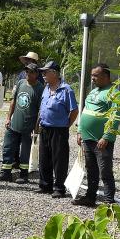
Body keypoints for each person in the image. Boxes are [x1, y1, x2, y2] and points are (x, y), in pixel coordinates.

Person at [74, 64, 119, 206]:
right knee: (91, 169)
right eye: (92, 75)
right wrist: (80, 131)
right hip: (87, 138)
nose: (92, 78)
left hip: (101, 141)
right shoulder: (93, 91)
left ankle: (109, 202)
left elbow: (115, 117)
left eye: (95, 75)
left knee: (105, 171)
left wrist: (106, 137)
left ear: (106, 76)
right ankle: (90, 197)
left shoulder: (113, 93)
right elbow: (85, 111)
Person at [0, 62, 43, 184]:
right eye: (27, 71)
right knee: (8, 147)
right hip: (14, 123)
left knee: (25, 151)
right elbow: (13, 102)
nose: (28, 74)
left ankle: (24, 175)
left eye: (31, 72)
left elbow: (40, 110)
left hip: (28, 126)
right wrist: (8, 118)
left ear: (36, 74)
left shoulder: (40, 88)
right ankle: (5, 172)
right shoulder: (21, 83)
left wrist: (36, 128)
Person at [36, 60, 78, 198]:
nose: (43, 75)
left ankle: (59, 188)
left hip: (59, 130)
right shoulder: (46, 88)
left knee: (59, 160)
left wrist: (66, 125)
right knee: (44, 158)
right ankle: (45, 185)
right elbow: (42, 108)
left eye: (45, 72)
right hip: (45, 127)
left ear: (54, 73)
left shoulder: (66, 89)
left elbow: (74, 111)